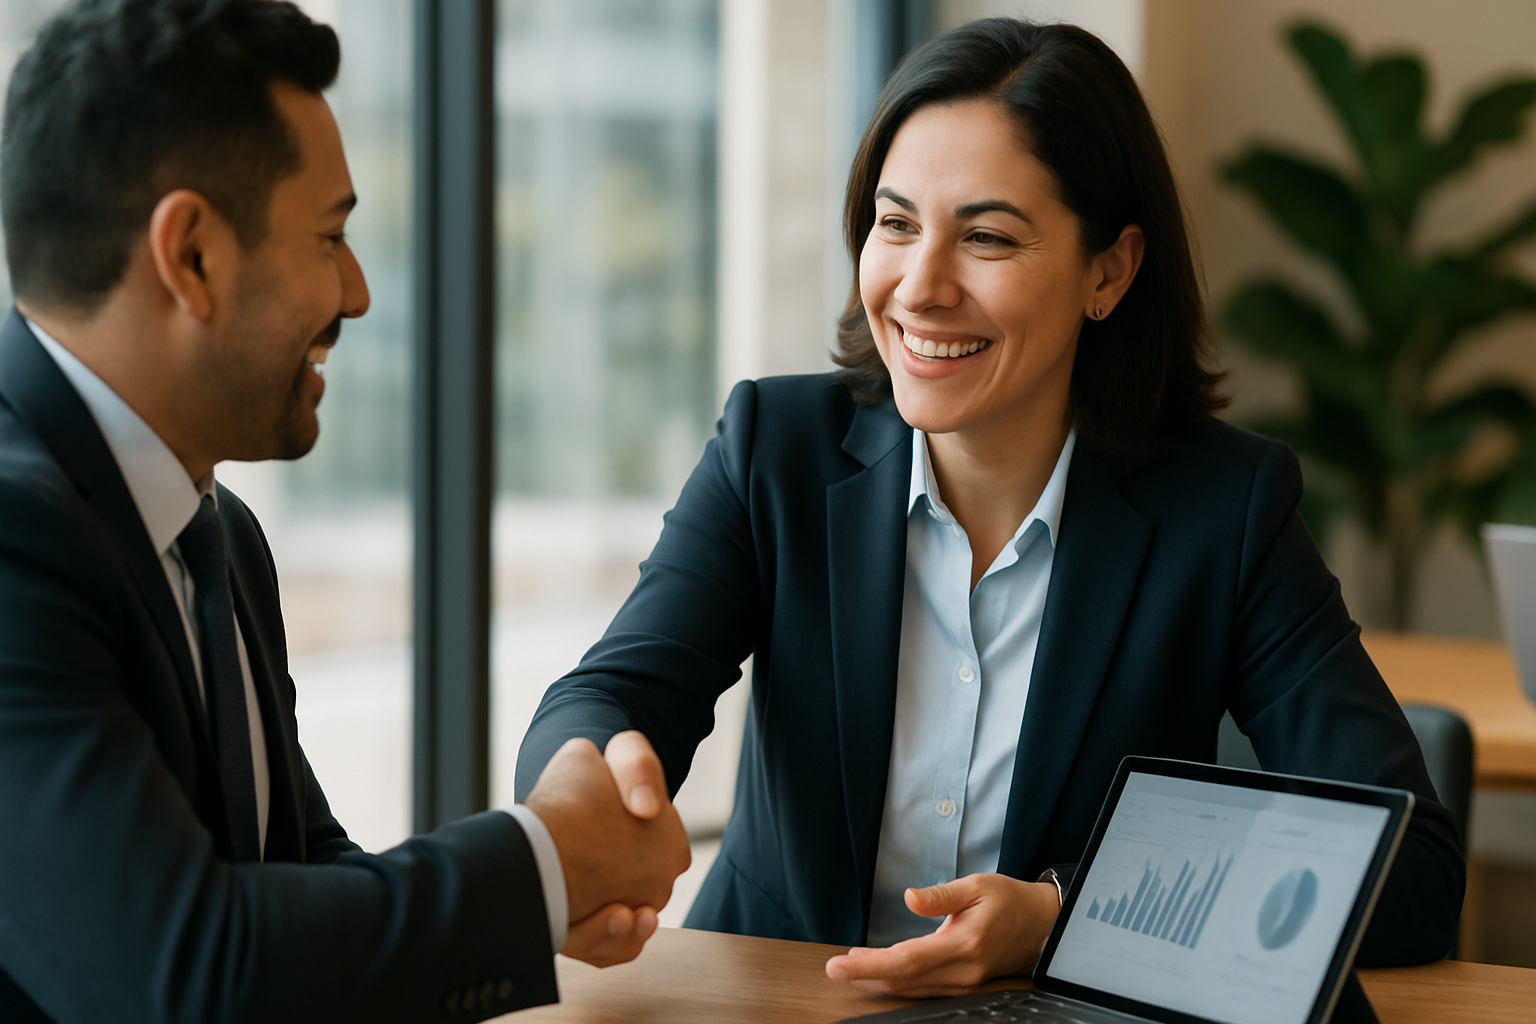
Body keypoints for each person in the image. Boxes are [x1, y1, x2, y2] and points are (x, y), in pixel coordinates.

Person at [516, 17, 1465, 998]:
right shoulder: (774, 450)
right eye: (895, 224)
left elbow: (1413, 869)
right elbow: (607, 698)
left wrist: (1065, 916)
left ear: (1110, 270)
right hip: (785, 1002)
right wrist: (586, 782)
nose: (921, 288)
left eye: (986, 238)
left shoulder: (1223, 511)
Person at [0, 1, 689, 1022]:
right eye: (331, 237)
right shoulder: (15, 542)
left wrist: (541, 901)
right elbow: (178, 970)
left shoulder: (216, 535)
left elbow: (301, 866)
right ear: (189, 254)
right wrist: (545, 859)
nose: (358, 292)